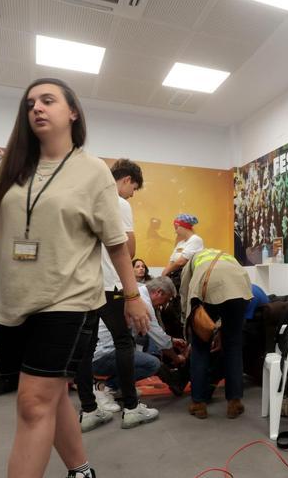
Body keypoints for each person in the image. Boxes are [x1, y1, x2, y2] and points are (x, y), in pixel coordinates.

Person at [0, 78, 150, 478]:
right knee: (51, 395)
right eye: (29, 104)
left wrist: (132, 296)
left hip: (68, 300)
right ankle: (82, 469)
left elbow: (114, 243)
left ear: (72, 112)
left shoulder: (93, 172)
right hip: (11, 299)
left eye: (47, 100)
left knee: (33, 403)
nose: (36, 108)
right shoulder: (11, 165)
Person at [74, 158, 161, 433]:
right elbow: (128, 249)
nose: (132, 194)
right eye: (133, 187)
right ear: (126, 180)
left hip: (85, 284)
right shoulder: (118, 202)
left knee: (84, 350)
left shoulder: (85, 199)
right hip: (111, 285)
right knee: (124, 342)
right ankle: (132, 409)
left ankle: (88, 410)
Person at [91, 276, 182, 424]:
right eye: (166, 300)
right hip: (103, 354)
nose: (164, 305)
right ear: (159, 292)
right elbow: (160, 339)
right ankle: (105, 388)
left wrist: (171, 340)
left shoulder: (138, 290)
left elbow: (155, 334)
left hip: (98, 351)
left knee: (138, 348)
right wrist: (178, 359)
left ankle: (116, 386)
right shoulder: (142, 302)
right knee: (152, 364)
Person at [179, 248, 253, 419]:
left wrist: (187, 320)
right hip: (240, 288)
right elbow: (227, 293)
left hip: (207, 285)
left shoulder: (193, 261)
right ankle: (234, 403)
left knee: (200, 348)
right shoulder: (228, 257)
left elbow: (185, 292)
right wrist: (221, 328)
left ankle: (199, 404)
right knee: (233, 347)